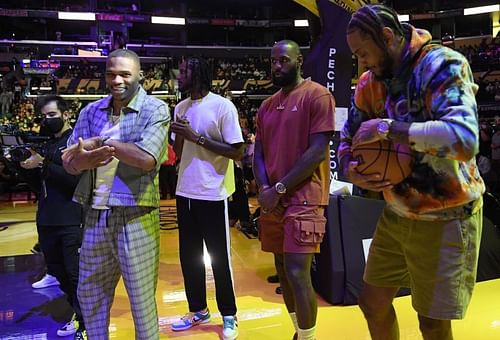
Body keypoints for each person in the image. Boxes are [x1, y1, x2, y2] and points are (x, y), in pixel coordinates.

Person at [339, 4, 485, 340]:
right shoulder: (369, 83)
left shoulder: (442, 64)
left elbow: (464, 139)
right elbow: (349, 137)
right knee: (372, 303)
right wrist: (351, 169)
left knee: (431, 323)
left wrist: (391, 129)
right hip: (397, 212)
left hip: (447, 215)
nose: (361, 61)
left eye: (363, 52)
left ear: (387, 37)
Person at [61, 49, 170, 340]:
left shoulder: (155, 109)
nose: (116, 80)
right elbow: (71, 163)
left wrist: (102, 145)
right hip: (95, 213)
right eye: (111, 74)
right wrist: (86, 157)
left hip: (136, 215)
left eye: (125, 74)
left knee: (141, 300)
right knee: (91, 295)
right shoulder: (90, 111)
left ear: (140, 76)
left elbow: (147, 158)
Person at [253, 40, 335, 340]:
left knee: (299, 272)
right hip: (273, 199)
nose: (277, 66)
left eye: (283, 60)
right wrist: (264, 188)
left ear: (299, 61)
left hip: (304, 197)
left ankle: (308, 338)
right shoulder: (266, 105)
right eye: (273, 61)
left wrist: (279, 187)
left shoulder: (318, 96)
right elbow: (258, 152)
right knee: (283, 271)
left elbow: (316, 151)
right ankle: (299, 332)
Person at [170, 56, 244, 340]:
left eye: (185, 70)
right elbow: (179, 149)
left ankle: (229, 314)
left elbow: (236, 151)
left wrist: (195, 136)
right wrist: (178, 133)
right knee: (189, 257)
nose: (179, 75)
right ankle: (198, 309)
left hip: (212, 192)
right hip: (184, 189)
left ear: (199, 73)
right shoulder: (181, 106)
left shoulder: (222, 105)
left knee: (219, 258)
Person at [18, 95, 85, 339]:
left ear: (65, 114)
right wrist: (21, 166)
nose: (47, 120)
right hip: (47, 218)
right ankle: (79, 314)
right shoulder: (46, 143)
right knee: (58, 272)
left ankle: (84, 322)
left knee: (75, 275)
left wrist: (44, 162)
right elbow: (40, 184)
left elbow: (73, 180)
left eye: (52, 115)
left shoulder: (75, 143)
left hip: (70, 218)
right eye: (44, 116)